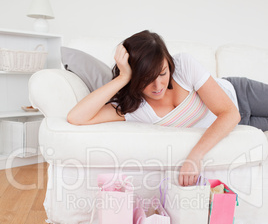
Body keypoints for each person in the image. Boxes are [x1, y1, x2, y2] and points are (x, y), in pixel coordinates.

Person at [67, 30, 268, 186]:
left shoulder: (184, 66)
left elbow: (229, 112)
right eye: (146, 79)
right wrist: (123, 77)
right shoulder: (133, 108)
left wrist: (195, 156)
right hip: (240, 125)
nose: (158, 86)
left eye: (162, 73)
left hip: (240, 95)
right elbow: (76, 117)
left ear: (169, 65)